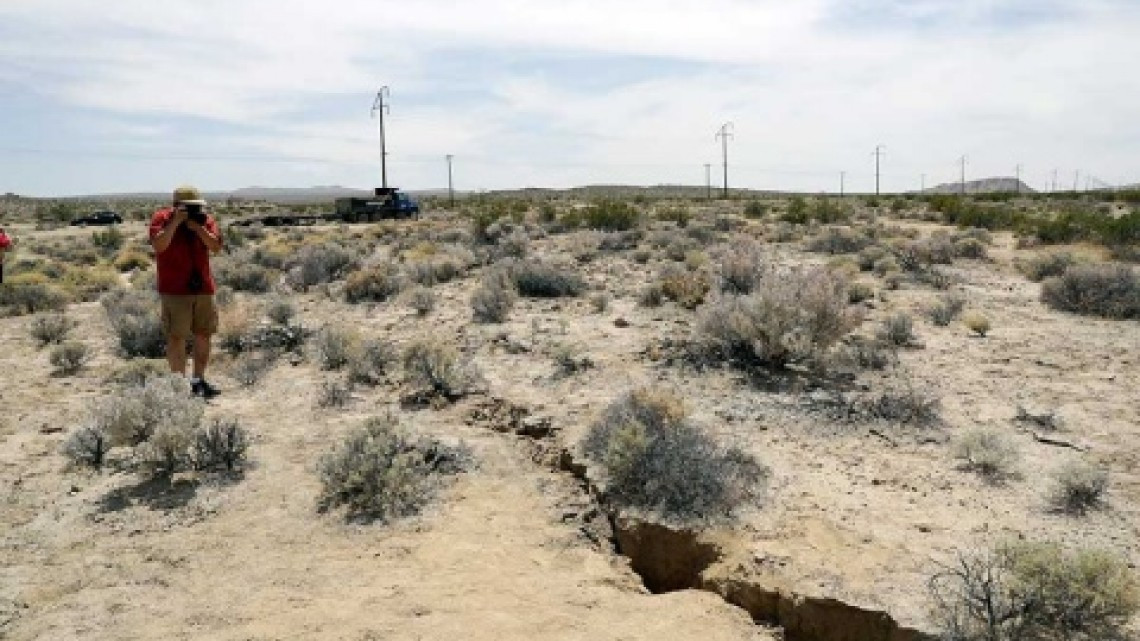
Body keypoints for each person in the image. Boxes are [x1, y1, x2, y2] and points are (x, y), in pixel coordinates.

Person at [149, 185, 224, 398]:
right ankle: (179, 385)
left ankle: (199, 380)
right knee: (176, 337)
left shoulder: (204, 220)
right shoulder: (162, 218)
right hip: (175, 289)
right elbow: (159, 246)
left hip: (203, 288)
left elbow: (216, 247)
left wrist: (199, 228)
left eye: (196, 206)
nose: (193, 210)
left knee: (204, 334)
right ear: (176, 206)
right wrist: (175, 223)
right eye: (187, 207)